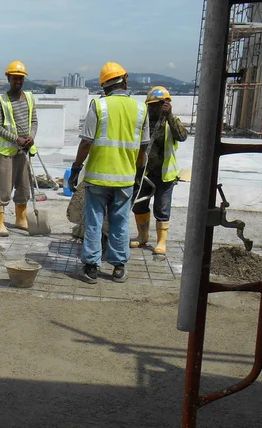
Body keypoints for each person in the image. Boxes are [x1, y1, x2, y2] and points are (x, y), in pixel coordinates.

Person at [68, 62, 150, 284]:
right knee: (120, 222)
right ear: (125, 80)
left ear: (104, 86)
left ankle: (92, 268)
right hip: (125, 178)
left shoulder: (99, 106)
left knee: (94, 221)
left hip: (98, 177)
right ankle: (118, 268)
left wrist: (75, 169)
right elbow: (143, 148)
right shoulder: (141, 109)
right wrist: (139, 174)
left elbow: (86, 143)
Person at [130, 86, 187, 257]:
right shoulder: (143, 123)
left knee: (162, 208)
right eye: (153, 104)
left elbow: (182, 136)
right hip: (144, 173)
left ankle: (161, 242)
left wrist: (169, 116)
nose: (156, 108)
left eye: (160, 104)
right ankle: (143, 235)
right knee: (139, 205)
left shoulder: (171, 123)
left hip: (164, 174)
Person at [0, 60, 38, 237]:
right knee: (4, 188)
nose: (18, 82)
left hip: (24, 152)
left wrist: (31, 137)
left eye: (21, 79)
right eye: (15, 78)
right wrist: (16, 139)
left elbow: (34, 121)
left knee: (24, 187)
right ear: (8, 78)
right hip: (7, 153)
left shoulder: (29, 98)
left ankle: (21, 219)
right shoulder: (1, 101)